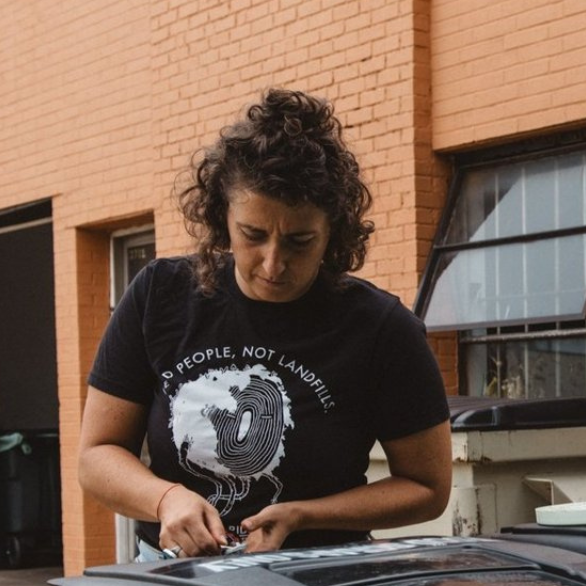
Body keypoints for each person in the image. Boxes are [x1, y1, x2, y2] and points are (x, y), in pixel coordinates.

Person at [79, 89, 451, 558]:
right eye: (253, 235)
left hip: (322, 575)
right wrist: (165, 498)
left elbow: (427, 487)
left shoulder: (381, 327)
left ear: (333, 232)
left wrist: (304, 515)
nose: (273, 264)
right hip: (174, 575)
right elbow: (96, 457)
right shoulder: (159, 294)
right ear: (222, 217)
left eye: (300, 241)